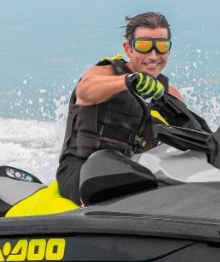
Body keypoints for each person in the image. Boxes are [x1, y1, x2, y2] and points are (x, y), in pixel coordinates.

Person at [55, 12, 208, 204]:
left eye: (161, 47)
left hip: (132, 173)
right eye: (144, 46)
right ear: (128, 49)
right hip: (81, 168)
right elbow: (85, 91)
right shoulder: (105, 73)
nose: (153, 56)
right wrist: (128, 81)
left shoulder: (171, 96)